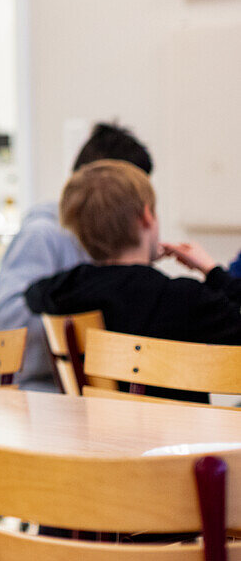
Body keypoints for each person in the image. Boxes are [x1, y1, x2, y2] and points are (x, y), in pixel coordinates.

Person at [24, 160, 241, 399]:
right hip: (178, 434)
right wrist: (212, 271)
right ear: (147, 216)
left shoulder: (69, 290)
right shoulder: (182, 297)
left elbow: (33, 293)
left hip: (99, 432)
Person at [0, 122, 153, 391]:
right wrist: (89, 323)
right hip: (35, 387)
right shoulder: (43, 234)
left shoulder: (109, 243)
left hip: (82, 384)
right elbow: (8, 324)